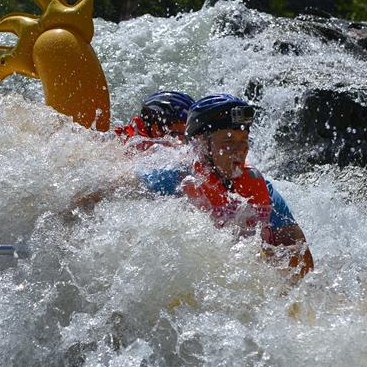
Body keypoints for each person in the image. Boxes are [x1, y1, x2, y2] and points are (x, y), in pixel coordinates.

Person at [139, 94, 314, 279]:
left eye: (243, 140)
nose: (240, 150)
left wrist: (259, 255)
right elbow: (119, 189)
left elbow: (304, 259)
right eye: (228, 142)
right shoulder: (173, 179)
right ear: (201, 145)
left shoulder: (264, 189)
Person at [113, 91, 195, 154]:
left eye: (189, 136)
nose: (182, 143)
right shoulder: (118, 144)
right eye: (176, 135)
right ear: (155, 129)